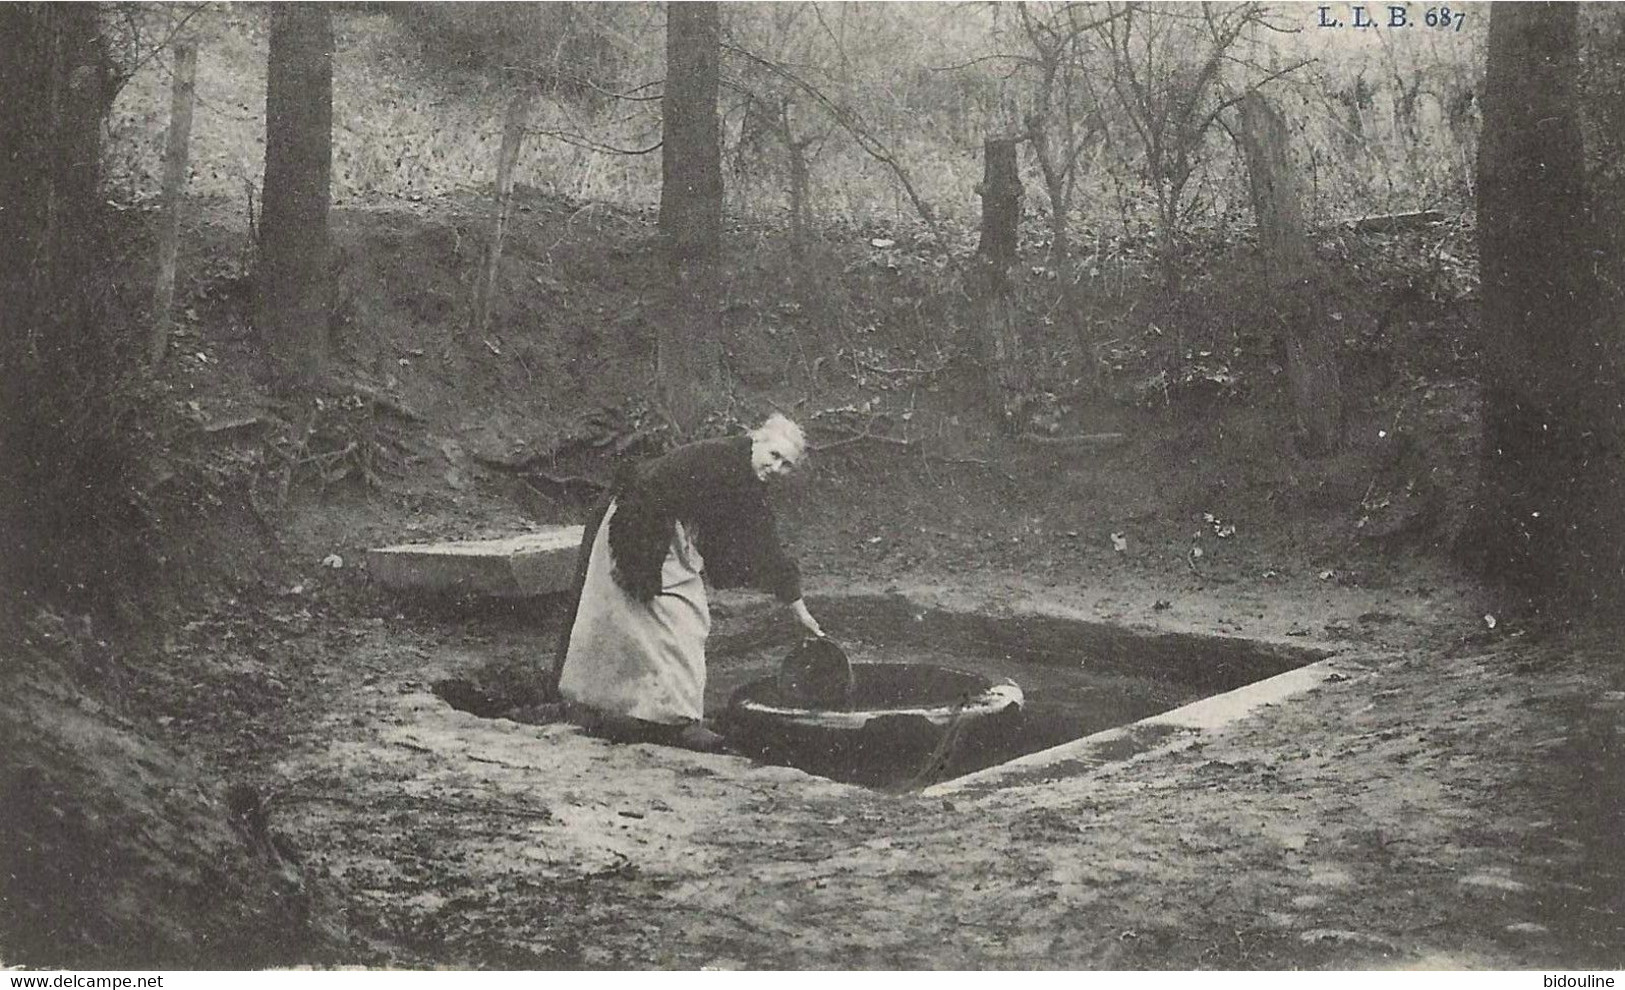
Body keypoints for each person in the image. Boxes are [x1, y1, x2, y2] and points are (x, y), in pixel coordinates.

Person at [550, 413, 824, 752]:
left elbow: (763, 543)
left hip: (667, 531)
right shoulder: (717, 460)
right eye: (774, 455)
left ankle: (651, 712)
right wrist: (638, 565)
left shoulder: (748, 478)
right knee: (664, 618)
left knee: (660, 620)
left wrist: (797, 607)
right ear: (757, 441)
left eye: (786, 465)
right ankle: (671, 719)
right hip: (636, 525)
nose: (776, 467)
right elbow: (648, 491)